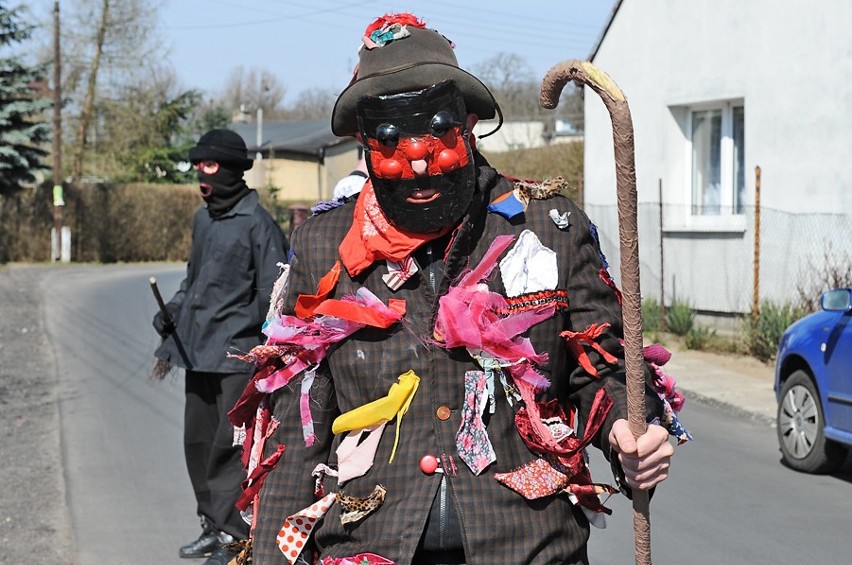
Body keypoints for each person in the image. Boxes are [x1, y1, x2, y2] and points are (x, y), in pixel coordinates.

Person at [232, 13, 685, 565]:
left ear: (469, 124)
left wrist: (625, 430)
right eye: (392, 145)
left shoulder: (546, 226)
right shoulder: (324, 244)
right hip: (369, 546)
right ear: (364, 141)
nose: (419, 166)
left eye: (438, 136)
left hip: (529, 547)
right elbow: (295, 424)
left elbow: (605, 368)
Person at [152, 128, 289, 564]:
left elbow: (275, 294)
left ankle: (234, 536)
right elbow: (193, 281)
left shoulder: (258, 223)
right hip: (197, 351)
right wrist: (173, 309)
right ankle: (211, 526)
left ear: (230, 169)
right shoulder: (202, 218)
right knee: (196, 442)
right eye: (197, 167)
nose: (201, 175)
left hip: (235, 355)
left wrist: (240, 330)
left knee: (228, 449)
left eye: (208, 166)